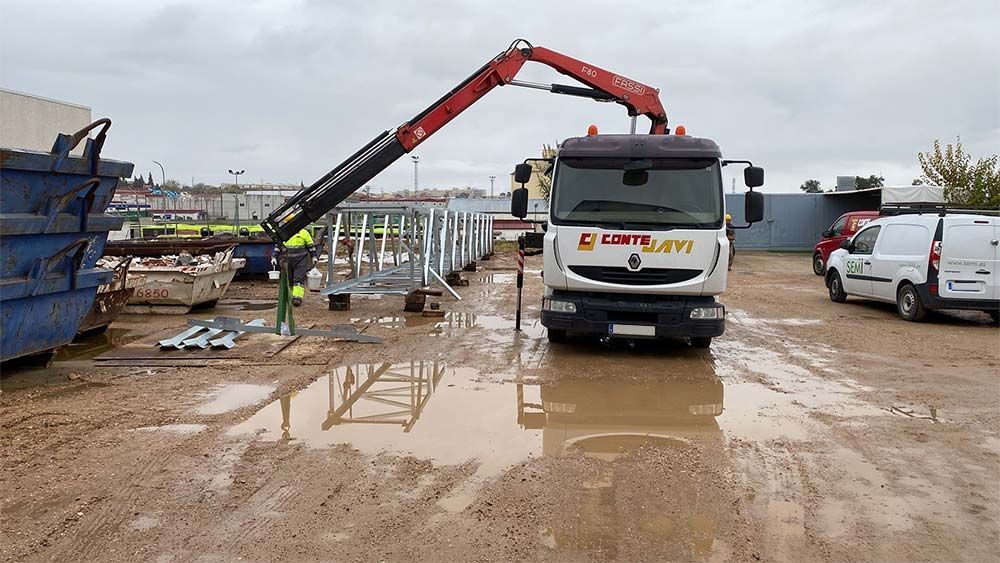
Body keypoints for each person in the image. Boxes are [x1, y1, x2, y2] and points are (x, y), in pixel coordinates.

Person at [273, 228, 318, 306]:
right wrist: (274, 257)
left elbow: (310, 246)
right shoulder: (283, 233)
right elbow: (278, 246)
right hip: (286, 261)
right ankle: (290, 296)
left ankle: (297, 297)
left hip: (301, 260)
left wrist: (314, 256)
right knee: (288, 279)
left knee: (298, 279)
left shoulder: (304, 233)